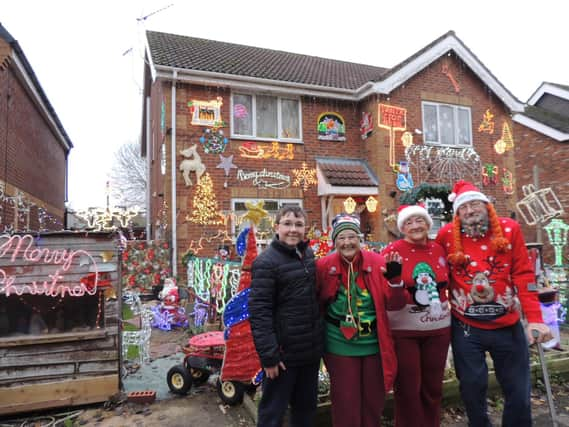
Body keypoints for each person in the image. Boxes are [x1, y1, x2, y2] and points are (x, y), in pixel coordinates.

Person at [436, 180, 553, 427]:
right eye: (463, 207)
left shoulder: (510, 230)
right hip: (466, 328)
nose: (470, 211)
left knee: (519, 392)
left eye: (475, 204)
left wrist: (535, 319)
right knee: (471, 388)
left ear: (487, 205)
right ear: (457, 213)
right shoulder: (446, 235)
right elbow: (438, 274)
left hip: (507, 325)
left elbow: (524, 274)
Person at [316, 213, 405, 427]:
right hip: (338, 342)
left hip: (373, 342)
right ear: (335, 241)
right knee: (345, 402)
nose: (347, 242)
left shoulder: (377, 262)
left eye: (351, 237)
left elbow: (396, 305)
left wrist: (395, 281)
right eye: (341, 238)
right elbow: (315, 303)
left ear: (359, 239)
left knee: (373, 401)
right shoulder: (323, 266)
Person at [249, 206, 324, 427]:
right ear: (277, 227)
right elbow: (259, 312)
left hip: (309, 353)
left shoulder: (308, 256)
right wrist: (269, 356)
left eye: (299, 225)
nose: (293, 229)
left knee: (305, 410)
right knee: (273, 413)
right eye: (288, 224)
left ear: (305, 229)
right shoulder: (266, 263)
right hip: (283, 357)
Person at [381, 204, 451, 427]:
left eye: (419, 221)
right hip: (405, 332)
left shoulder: (439, 250)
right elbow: (388, 299)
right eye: (409, 222)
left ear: (428, 224)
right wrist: (395, 281)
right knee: (408, 389)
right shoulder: (392, 251)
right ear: (402, 227)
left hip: (438, 330)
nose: (415, 226)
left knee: (433, 387)